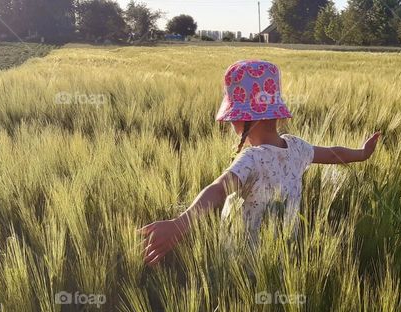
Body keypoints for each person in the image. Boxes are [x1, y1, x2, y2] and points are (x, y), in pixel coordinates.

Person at [141, 59, 381, 266]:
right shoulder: (297, 147)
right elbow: (332, 154)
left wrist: (181, 223)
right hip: (284, 253)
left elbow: (219, 189)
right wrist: (361, 153)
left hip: (242, 258)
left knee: (239, 295)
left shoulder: (251, 159)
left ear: (243, 121)